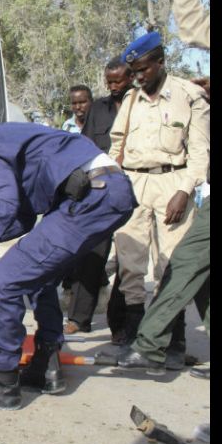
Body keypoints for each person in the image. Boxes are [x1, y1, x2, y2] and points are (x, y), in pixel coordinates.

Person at [0, 106, 136, 410]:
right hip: (108, 192)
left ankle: (1, 384)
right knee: (38, 279)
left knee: (2, 285)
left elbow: (4, 204)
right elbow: (21, 218)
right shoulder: (25, 138)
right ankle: (47, 366)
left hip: (89, 197)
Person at [117, 0, 210, 378]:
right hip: (135, 183)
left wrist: (186, 189)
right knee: (131, 262)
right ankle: (138, 339)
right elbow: (117, 144)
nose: (138, 77)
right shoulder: (132, 100)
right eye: (133, 72)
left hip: (173, 181)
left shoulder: (189, 95)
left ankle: (171, 345)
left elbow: (201, 152)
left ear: (160, 61)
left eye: (143, 69)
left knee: (174, 263)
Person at [63, 59, 134, 334]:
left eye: (118, 81)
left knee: (131, 259)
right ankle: (78, 318)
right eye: (109, 82)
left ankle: (122, 323)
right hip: (102, 191)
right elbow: (86, 149)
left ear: (130, 78)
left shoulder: (139, 106)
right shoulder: (99, 110)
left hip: (136, 187)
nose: (113, 87)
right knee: (92, 254)